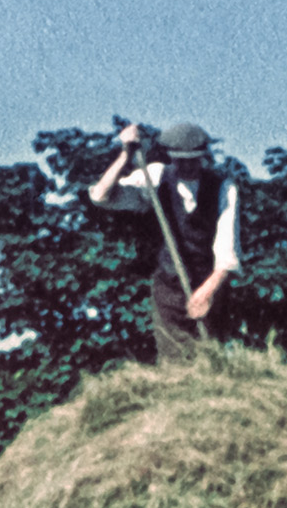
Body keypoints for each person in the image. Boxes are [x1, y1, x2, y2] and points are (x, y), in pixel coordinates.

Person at [85, 119, 242, 360]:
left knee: (211, 358)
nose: (186, 166)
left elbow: (227, 249)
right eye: (180, 159)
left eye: (193, 159)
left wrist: (207, 292)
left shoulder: (223, 187)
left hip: (209, 284)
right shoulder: (156, 176)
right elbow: (101, 195)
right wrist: (126, 154)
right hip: (168, 287)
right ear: (171, 156)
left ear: (202, 157)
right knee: (174, 362)